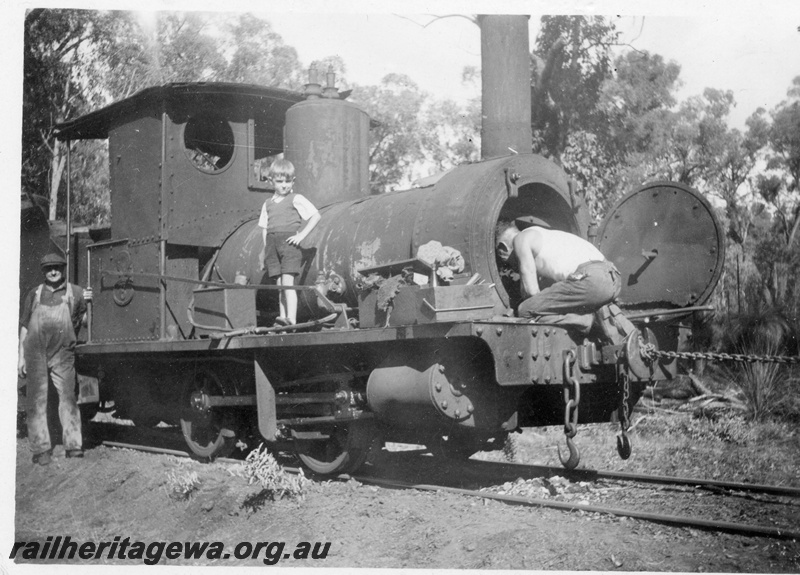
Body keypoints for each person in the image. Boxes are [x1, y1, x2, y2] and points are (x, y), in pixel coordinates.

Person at [496, 218, 632, 337]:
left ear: (502, 249)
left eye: (507, 262)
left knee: (525, 310)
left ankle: (586, 321)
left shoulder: (521, 240)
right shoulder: (540, 233)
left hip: (592, 279)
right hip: (612, 277)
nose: (513, 267)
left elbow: (531, 293)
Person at [18, 253, 90, 465]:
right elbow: (24, 326)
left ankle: (74, 446)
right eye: (49, 268)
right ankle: (41, 450)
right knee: (36, 401)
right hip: (35, 353)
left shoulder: (76, 293)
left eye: (57, 267)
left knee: (68, 397)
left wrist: (91, 301)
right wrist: (21, 356)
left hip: (63, 353)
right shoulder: (34, 294)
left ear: (63, 268)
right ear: (43, 271)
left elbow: (85, 320)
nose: (53, 271)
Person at [258, 158, 321, 326]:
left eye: (287, 181)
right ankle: (282, 318)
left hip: (289, 246)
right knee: (280, 286)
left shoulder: (296, 198)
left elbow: (316, 215)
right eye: (279, 181)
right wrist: (266, 249)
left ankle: (291, 319)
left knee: (288, 283)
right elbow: (265, 228)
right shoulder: (267, 204)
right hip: (272, 247)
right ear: (271, 181)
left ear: (293, 181)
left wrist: (301, 236)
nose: (284, 185)